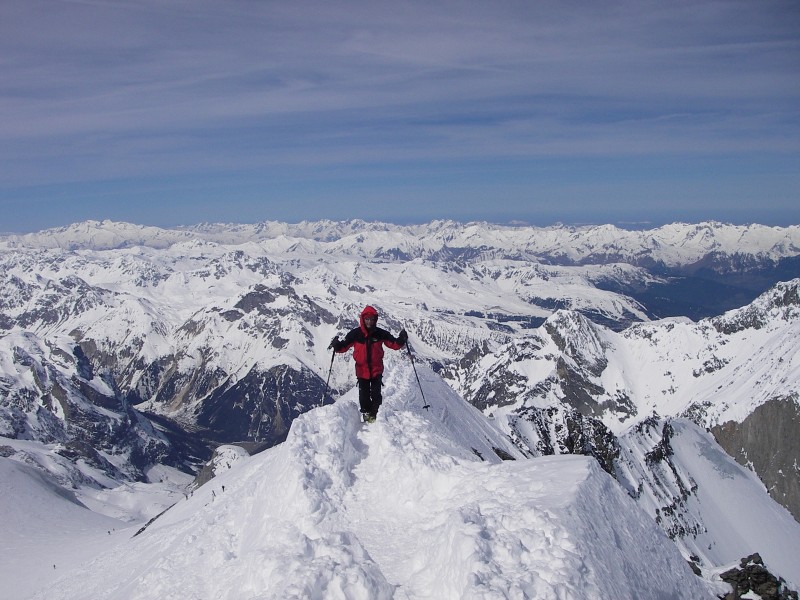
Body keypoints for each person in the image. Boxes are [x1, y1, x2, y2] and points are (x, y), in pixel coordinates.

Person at [329, 305, 408, 422]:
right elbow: (344, 347)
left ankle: (375, 414)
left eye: (372, 319)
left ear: (375, 320)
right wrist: (337, 346)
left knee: (376, 394)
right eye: (367, 319)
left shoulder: (380, 334)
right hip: (362, 371)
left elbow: (394, 344)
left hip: (376, 370)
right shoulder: (355, 334)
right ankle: (366, 413)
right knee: (364, 395)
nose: (369, 321)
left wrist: (401, 340)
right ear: (363, 319)